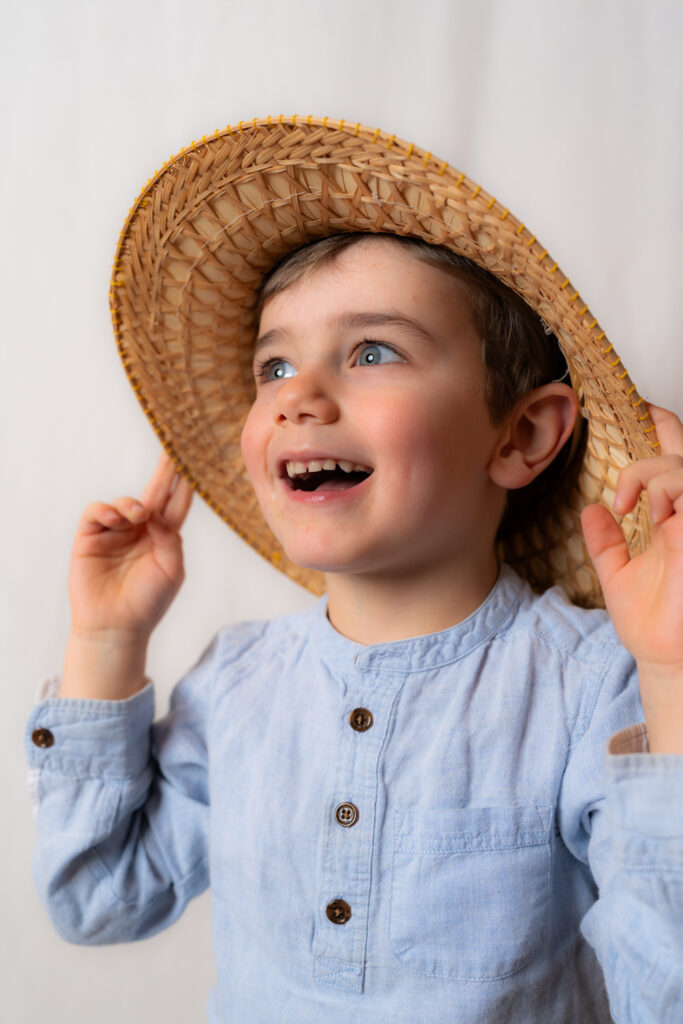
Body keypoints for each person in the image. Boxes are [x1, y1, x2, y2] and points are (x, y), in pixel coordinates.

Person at [26, 117, 683, 1023]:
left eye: (374, 351)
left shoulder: (592, 689)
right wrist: (105, 641)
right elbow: (99, 899)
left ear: (521, 435)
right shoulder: (237, 684)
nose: (298, 394)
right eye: (274, 364)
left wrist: (673, 672)